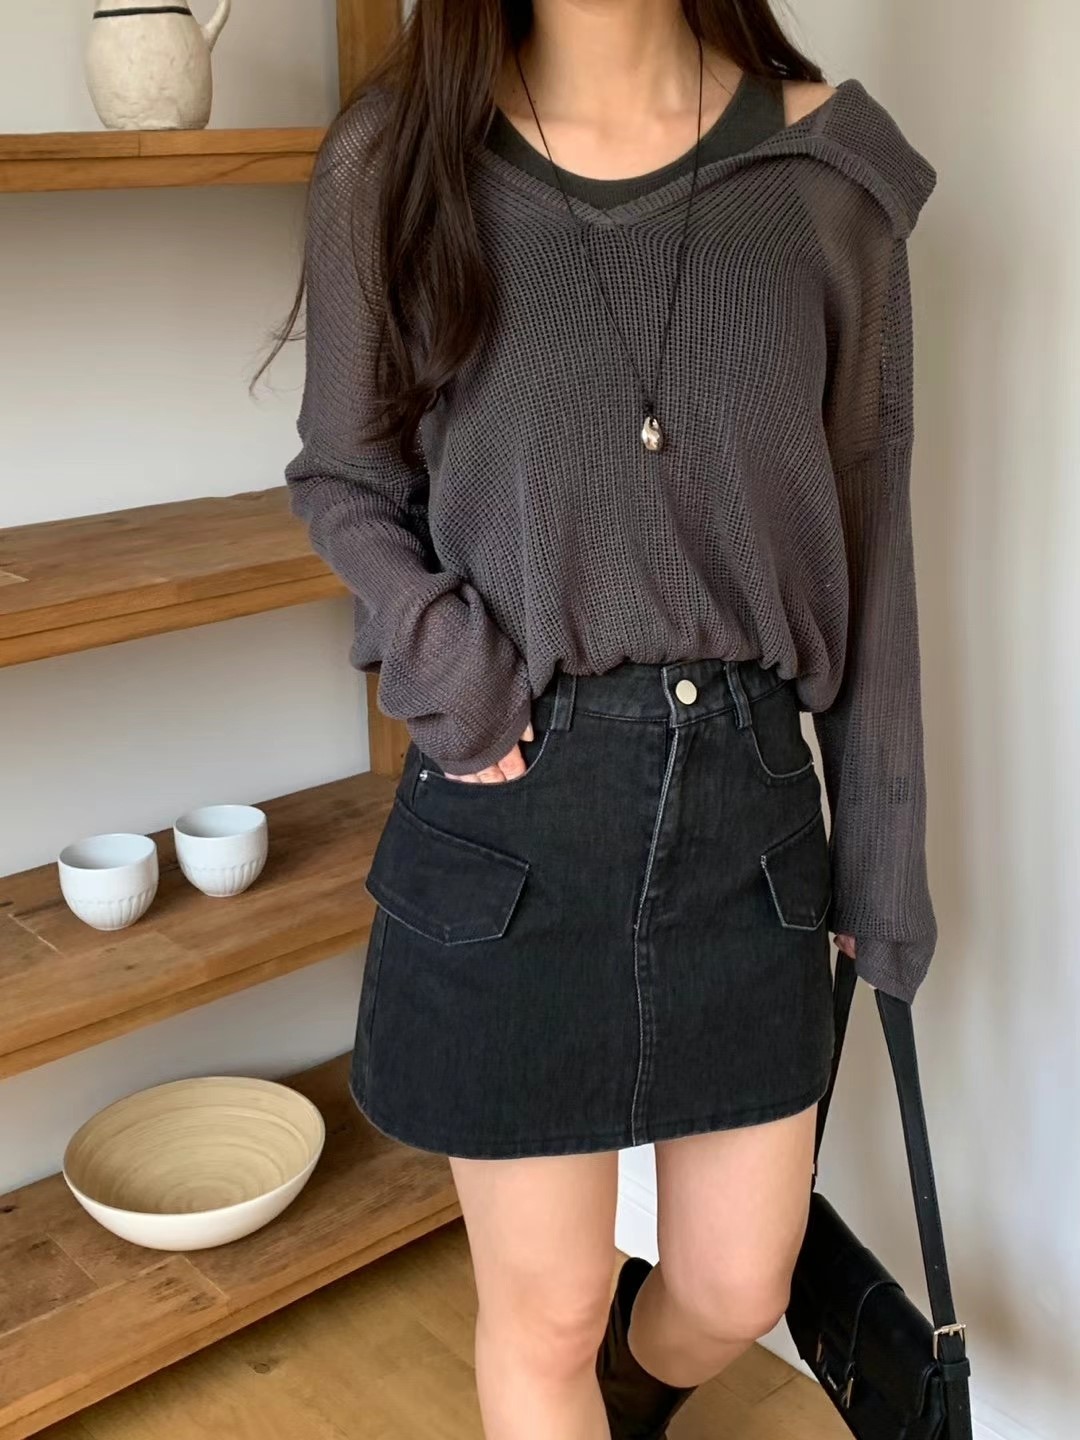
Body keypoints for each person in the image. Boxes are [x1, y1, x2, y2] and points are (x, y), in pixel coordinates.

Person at [274, 2, 939, 1436]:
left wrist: (883, 869)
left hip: (752, 817)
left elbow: (870, 536)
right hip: (514, 812)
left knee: (740, 1282)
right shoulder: (398, 158)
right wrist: (452, 667)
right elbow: (344, 477)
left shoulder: (827, 174)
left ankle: (618, 1401)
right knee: (548, 1312)